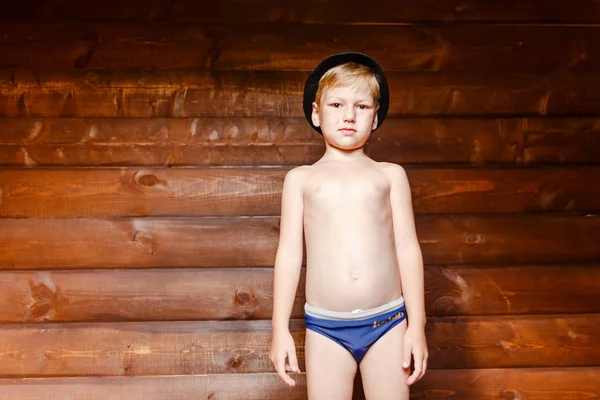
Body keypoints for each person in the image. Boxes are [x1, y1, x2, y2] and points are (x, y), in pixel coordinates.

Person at [269, 52, 428, 399]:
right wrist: (279, 328)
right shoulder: (301, 180)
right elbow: (290, 254)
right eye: (337, 104)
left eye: (362, 106)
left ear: (375, 118)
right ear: (316, 113)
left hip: (387, 323)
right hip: (326, 328)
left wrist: (418, 325)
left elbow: (408, 249)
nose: (348, 116)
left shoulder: (389, 175)